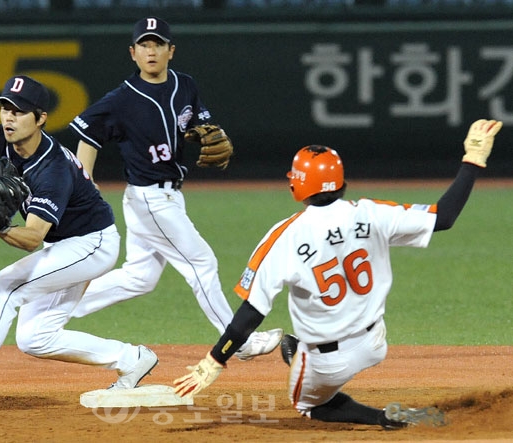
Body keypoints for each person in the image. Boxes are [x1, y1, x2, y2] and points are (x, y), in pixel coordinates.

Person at [173, 119, 502, 429]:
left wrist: (216, 359)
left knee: (309, 406)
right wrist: (472, 160)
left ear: (297, 184)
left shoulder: (285, 236)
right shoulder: (371, 213)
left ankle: (390, 419)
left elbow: (251, 312)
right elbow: (443, 217)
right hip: (375, 341)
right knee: (294, 345)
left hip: (330, 362)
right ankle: (298, 351)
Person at [0, 75, 158, 413]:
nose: (8, 117)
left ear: (41, 118)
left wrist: (0, 226)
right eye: (5, 108)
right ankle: (131, 358)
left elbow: (31, 238)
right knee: (34, 338)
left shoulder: (53, 168)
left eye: (19, 111)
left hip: (92, 243)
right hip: (63, 245)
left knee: (5, 287)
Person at [68, 16, 282, 359]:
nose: (151, 51)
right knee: (202, 264)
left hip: (169, 196)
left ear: (171, 51)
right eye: (144, 45)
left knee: (140, 278)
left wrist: (210, 132)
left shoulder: (186, 85)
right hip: (149, 198)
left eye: (157, 44)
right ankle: (239, 343)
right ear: (132, 53)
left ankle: (58, 304)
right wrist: (86, 182)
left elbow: (201, 125)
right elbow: (87, 136)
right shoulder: (122, 99)